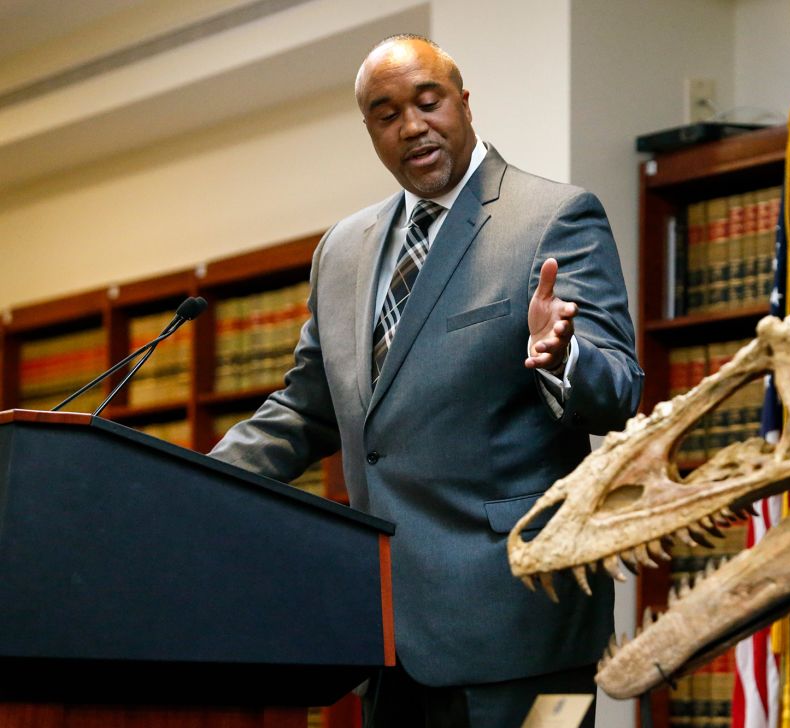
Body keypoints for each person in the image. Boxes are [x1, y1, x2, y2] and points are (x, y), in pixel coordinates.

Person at [209, 33, 643, 727]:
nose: (411, 126)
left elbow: (616, 391)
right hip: (385, 633)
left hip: (523, 628)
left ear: (463, 103)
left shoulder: (551, 217)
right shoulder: (341, 250)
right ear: (370, 131)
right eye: (385, 114)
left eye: (427, 101)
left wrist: (561, 356)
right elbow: (305, 409)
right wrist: (190, 484)